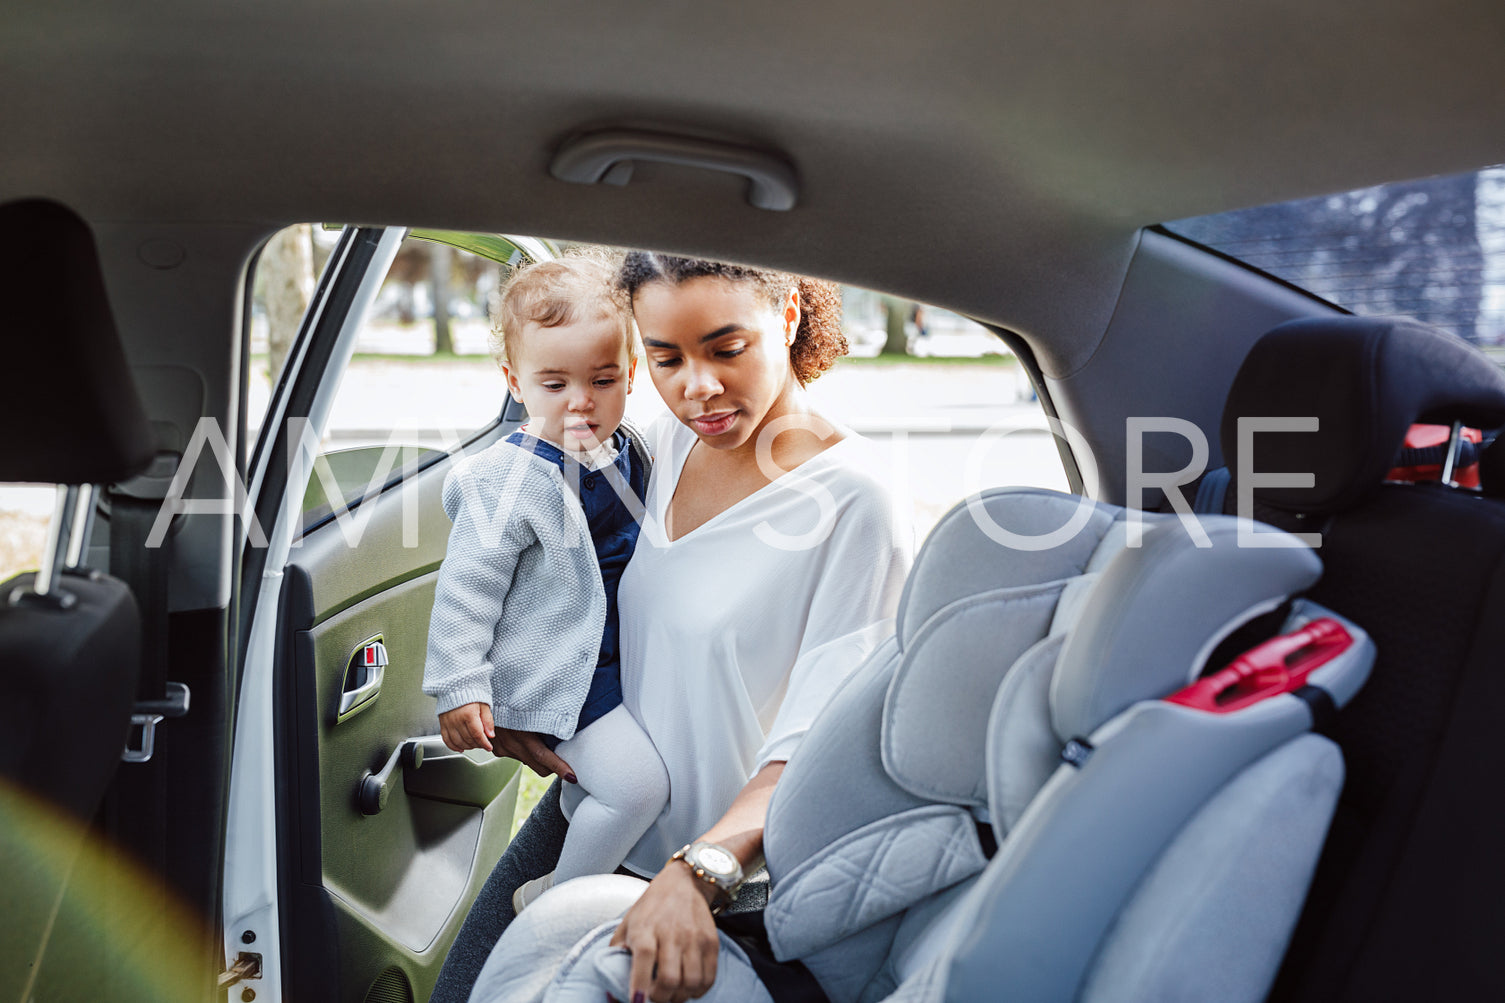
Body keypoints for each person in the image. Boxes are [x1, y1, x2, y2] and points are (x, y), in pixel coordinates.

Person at [430, 252, 909, 1003]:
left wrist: (700, 872)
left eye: (726, 348)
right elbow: (538, 566)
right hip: (600, 812)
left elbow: (816, 743)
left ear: (786, 318)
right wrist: (529, 704)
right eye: (664, 357)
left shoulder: (854, 500)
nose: (697, 387)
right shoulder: (661, 441)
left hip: (726, 877)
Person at [422, 252, 668, 913]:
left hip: (613, 663)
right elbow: (466, 589)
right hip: (560, 677)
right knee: (638, 789)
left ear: (632, 373)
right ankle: (554, 904)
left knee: (607, 785)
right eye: (554, 383)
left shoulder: (632, 449)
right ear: (514, 380)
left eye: (603, 378)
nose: (581, 401)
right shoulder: (507, 478)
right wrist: (459, 685)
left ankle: (578, 823)